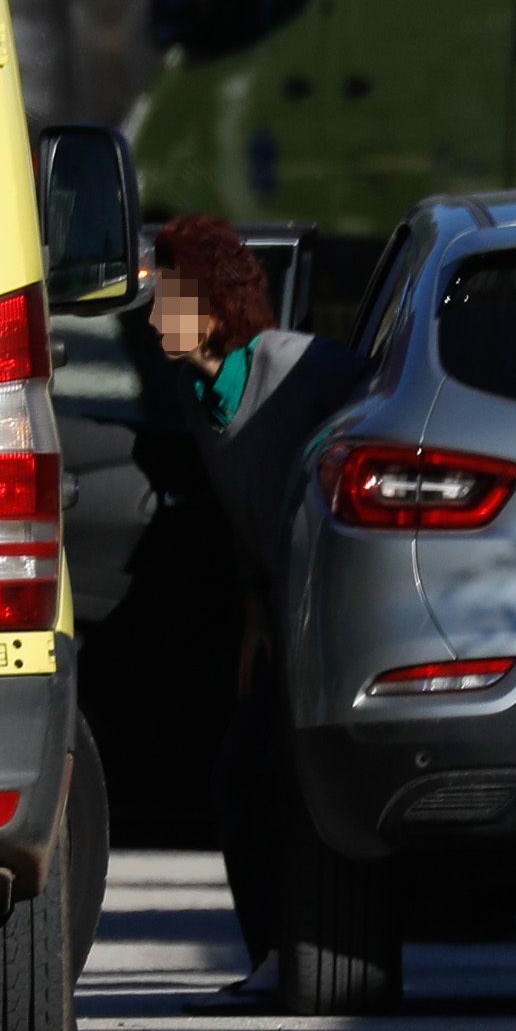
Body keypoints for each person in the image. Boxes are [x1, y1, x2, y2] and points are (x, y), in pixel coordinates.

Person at [146, 214, 366, 985]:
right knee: (241, 777)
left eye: (166, 298)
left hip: (333, 615)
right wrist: (251, 612)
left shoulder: (303, 369)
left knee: (282, 779)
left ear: (210, 305)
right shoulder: (191, 389)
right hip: (278, 614)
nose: (150, 316)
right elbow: (239, 505)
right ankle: (271, 956)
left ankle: (301, 955)